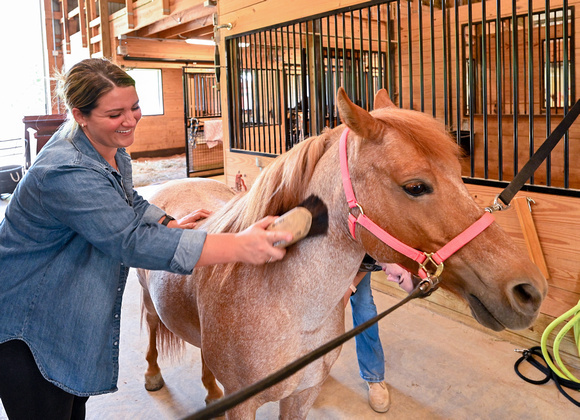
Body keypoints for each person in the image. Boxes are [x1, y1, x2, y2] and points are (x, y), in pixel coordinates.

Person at [0, 58, 293, 420]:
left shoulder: (104, 148)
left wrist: (169, 222)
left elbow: (127, 201)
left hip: (66, 315)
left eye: (135, 107)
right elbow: (131, 242)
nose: (130, 119)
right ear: (80, 114)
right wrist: (239, 245)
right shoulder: (66, 171)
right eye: (115, 113)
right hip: (31, 325)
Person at [344, 256, 415, 413]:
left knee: (364, 308)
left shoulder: (378, 257)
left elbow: (367, 259)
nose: (389, 278)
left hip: (363, 254)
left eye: (397, 280)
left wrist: (350, 287)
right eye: (398, 277)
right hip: (331, 246)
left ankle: (374, 377)